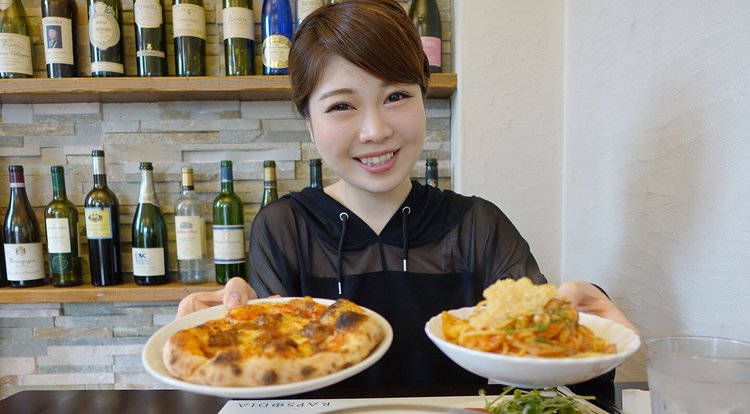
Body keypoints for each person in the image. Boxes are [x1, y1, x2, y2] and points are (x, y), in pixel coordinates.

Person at [178, 0, 635, 389]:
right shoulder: (284, 229)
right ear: (309, 121)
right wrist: (227, 332)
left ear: (423, 97)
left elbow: (544, 373)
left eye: (396, 96)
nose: (376, 130)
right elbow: (269, 383)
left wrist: (597, 349)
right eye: (341, 106)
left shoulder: (478, 226)